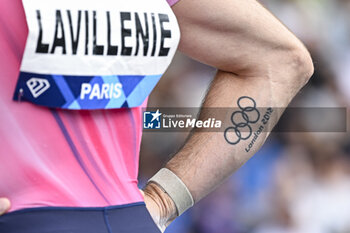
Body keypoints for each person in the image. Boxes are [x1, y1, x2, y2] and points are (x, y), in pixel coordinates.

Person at [0, 0, 314, 232]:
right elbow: (280, 61)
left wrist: (164, 199)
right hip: (129, 220)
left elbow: (281, 61)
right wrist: (164, 200)